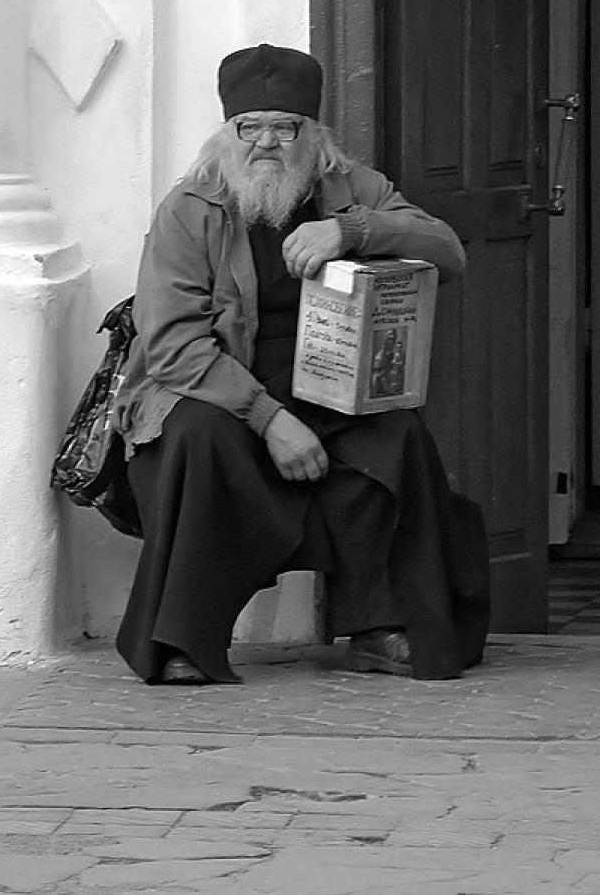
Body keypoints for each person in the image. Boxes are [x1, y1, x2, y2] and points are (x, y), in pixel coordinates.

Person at [112, 44, 489, 686]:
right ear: (226, 134)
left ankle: (381, 626)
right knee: (201, 439)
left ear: (312, 135)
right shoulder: (188, 209)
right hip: (217, 393)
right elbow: (173, 345)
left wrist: (353, 232)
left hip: (328, 392)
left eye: (284, 127)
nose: (267, 143)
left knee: (395, 436)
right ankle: (184, 637)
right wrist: (270, 419)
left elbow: (446, 250)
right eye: (249, 127)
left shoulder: (354, 189)